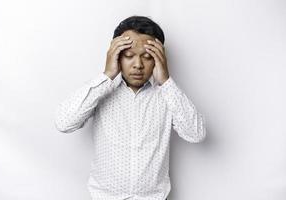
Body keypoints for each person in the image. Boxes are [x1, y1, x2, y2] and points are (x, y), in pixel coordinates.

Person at [54, 15, 206, 200]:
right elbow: (64, 123)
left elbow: (196, 134)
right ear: (116, 55)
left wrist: (166, 82)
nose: (138, 65)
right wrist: (107, 75)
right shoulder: (100, 91)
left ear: (159, 58)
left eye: (148, 57)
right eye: (128, 56)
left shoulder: (167, 95)